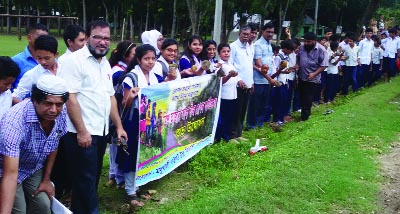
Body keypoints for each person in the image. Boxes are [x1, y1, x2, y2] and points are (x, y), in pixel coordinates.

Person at [58, 20, 128, 214]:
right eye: (97, 37)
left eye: (106, 38)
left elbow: (110, 97)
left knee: (89, 182)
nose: (102, 42)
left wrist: (119, 127)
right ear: (87, 38)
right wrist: (82, 131)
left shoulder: (104, 63)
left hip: (100, 132)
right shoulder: (73, 61)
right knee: (86, 183)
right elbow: (69, 97)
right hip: (80, 134)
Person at [0, 75, 69, 214]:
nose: (54, 110)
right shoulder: (13, 123)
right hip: (6, 169)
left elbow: (53, 143)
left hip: (33, 167)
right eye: (48, 104)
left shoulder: (60, 112)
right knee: (19, 211)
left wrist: (46, 179)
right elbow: (10, 175)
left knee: (43, 206)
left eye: (59, 104)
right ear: (34, 100)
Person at [119, 44, 159, 207]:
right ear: (138, 59)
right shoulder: (131, 78)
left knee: (144, 152)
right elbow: (124, 105)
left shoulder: (155, 76)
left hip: (149, 119)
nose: (150, 62)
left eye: (153, 59)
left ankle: (138, 184)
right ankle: (130, 191)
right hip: (133, 120)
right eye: (146, 59)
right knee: (131, 153)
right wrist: (131, 97)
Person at [106, 40, 137, 189]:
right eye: (133, 54)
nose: (136, 56)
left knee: (118, 143)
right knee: (115, 144)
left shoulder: (125, 69)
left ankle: (116, 174)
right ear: (125, 56)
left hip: (119, 109)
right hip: (115, 109)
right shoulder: (118, 72)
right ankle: (115, 175)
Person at [247, 23, 278, 129]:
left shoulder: (269, 44)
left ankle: (259, 124)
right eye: (268, 32)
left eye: (272, 32)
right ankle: (251, 125)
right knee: (255, 104)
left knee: (264, 104)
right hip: (258, 79)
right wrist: (270, 79)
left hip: (266, 80)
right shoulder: (258, 44)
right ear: (263, 32)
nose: (270, 34)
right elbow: (259, 65)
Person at [12, 35, 59, 104]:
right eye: (39, 58)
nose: (43, 62)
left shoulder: (66, 68)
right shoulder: (32, 74)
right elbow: (15, 97)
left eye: (47, 58)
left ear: (56, 54)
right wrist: (27, 107)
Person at [215, 43, 244, 142]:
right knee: (224, 118)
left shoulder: (230, 64)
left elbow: (235, 76)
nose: (226, 53)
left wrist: (239, 80)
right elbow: (220, 82)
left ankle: (231, 136)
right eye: (224, 51)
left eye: (228, 51)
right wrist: (229, 76)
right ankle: (225, 137)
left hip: (233, 95)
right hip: (224, 96)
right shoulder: (219, 66)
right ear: (219, 53)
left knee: (231, 116)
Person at [296, 32, 328, 121]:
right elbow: (298, 58)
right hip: (301, 76)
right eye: (305, 41)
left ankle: (304, 117)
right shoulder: (302, 47)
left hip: (312, 78)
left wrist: (314, 74)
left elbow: (324, 65)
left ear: (314, 41)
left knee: (307, 97)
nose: (306, 43)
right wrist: (297, 65)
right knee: (302, 95)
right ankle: (304, 112)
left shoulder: (321, 50)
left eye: (308, 42)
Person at [12, 23, 48, 90]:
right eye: (40, 37)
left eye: (46, 38)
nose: (44, 41)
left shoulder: (52, 62)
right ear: (29, 38)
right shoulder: (16, 61)